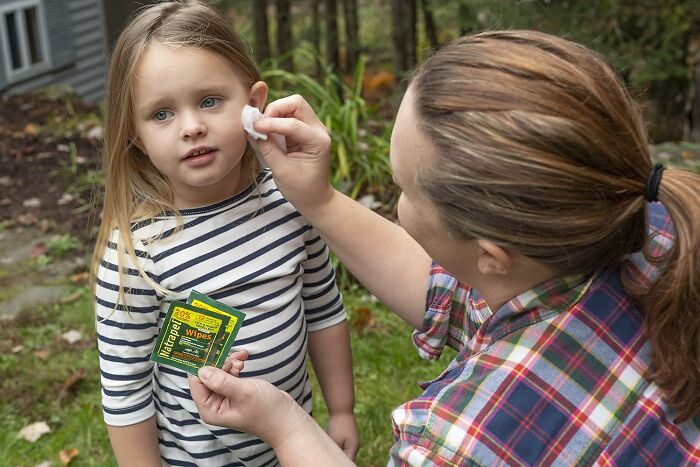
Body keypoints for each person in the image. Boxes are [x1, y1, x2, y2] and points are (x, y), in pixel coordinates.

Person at [188, 30, 700, 465]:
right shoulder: (645, 225)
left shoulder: (465, 442)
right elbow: (451, 293)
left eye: (405, 189)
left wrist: (284, 425)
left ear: (492, 256)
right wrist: (319, 200)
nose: (397, 199)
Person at [90, 1, 359, 465]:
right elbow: (125, 390)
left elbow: (322, 308)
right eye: (161, 114)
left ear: (253, 104)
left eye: (210, 101)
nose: (192, 127)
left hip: (296, 445)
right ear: (133, 133)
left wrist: (342, 410)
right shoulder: (137, 252)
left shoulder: (289, 200)